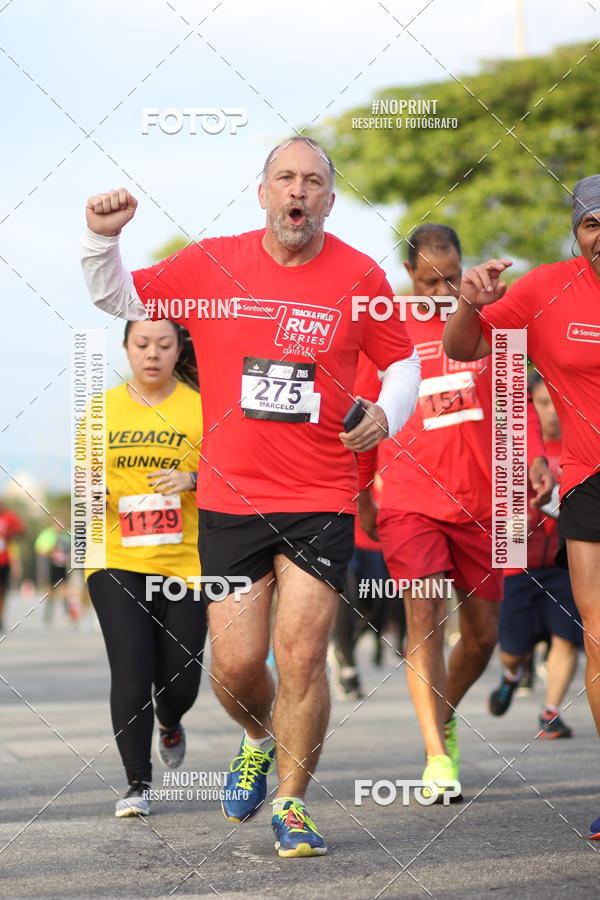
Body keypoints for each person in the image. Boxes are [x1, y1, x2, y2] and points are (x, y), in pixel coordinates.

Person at [80, 136, 421, 856]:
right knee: (236, 668)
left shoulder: (360, 277)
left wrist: (389, 413)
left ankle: (293, 803)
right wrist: (100, 238)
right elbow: (119, 297)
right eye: (285, 179)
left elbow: (403, 363)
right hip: (233, 501)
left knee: (301, 657)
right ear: (262, 192)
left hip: (321, 495)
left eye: (314, 181)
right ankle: (257, 737)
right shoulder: (210, 264)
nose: (298, 192)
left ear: (329, 198)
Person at [356, 224, 552, 799]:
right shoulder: (388, 328)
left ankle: (439, 717)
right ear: (408, 276)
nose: (441, 289)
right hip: (412, 501)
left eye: (450, 277)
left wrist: (537, 458)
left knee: (483, 636)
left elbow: (520, 400)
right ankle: (437, 757)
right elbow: (366, 416)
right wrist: (363, 490)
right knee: (425, 622)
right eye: (427, 279)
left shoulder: (490, 321)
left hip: (487, 501)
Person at [443, 174, 600, 839]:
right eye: (593, 222)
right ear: (576, 230)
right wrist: (471, 304)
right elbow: (464, 348)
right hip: (591, 479)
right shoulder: (545, 289)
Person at [85, 319, 206, 817]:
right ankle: (138, 784)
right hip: (116, 555)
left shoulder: (202, 406)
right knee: (130, 668)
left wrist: (191, 478)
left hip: (187, 560)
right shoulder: (100, 409)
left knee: (181, 679)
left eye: (163, 344)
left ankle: (170, 719)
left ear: (179, 349)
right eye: (141, 344)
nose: (151, 354)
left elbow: (234, 475)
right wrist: (100, 495)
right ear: (126, 348)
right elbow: (84, 495)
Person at [489, 372, 583, 736]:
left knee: (567, 637)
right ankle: (511, 673)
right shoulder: (511, 448)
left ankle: (551, 711)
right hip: (518, 565)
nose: (551, 412)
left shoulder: (583, 446)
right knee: (513, 647)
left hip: (566, 562)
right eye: (541, 404)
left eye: (556, 403)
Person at [34, 518, 79, 625]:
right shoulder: (47, 534)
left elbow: (75, 547)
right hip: (50, 567)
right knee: (50, 591)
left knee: (65, 591)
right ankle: (48, 616)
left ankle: (68, 615)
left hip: (63, 567)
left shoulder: (67, 534)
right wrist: (51, 550)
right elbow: (39, 549)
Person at [0, 501, 24, 632]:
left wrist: (11, 533)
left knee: (2, 590)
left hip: (4, 561)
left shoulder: (9, 517)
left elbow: (21, 530)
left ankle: (1, 617)